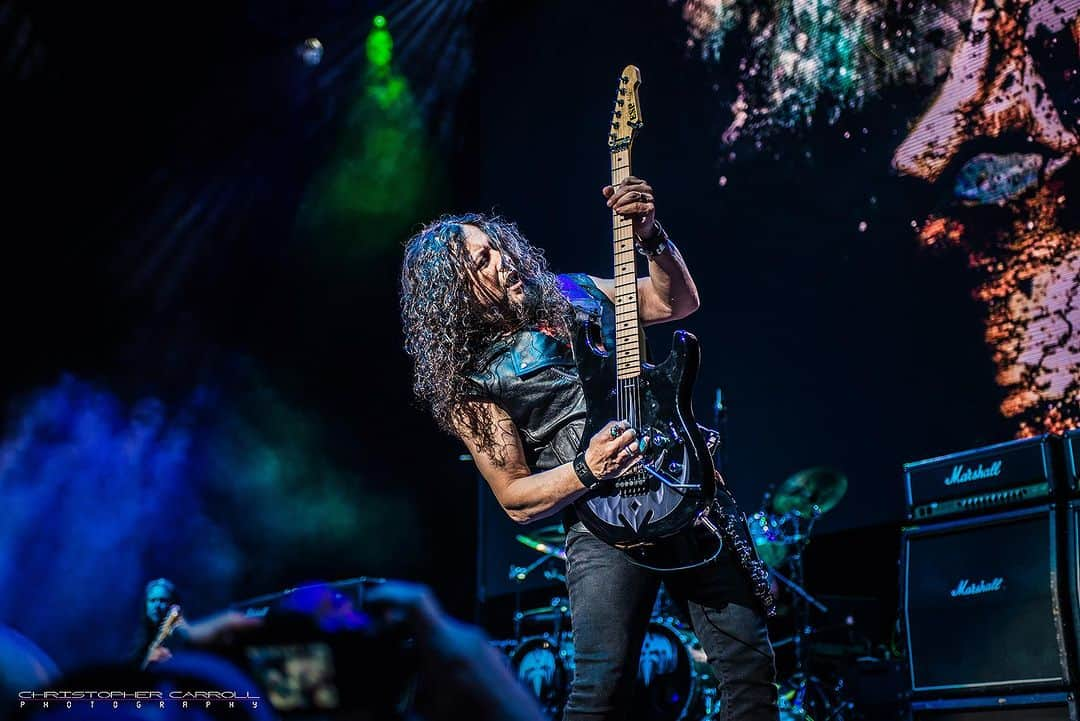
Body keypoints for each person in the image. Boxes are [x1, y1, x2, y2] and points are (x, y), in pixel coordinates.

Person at [400, 177, 778, 720]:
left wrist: (650, 236)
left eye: (495, 247)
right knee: (601, 691)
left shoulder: (574, 290)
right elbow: (513, 496)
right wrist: (586, 467)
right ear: (452, 293)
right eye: (481, 263)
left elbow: (677, 301)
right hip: (604, 526)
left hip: (685, 487)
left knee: (749, 673)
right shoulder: (472, 381)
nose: (502, 261)